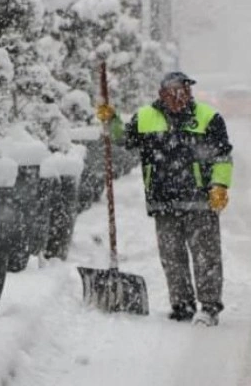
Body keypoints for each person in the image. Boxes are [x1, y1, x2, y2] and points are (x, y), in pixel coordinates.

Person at [96, 72, 233, 326]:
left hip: (200, 200)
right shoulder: (146, 117)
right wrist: (111, 120)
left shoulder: (208, 118)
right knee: (172, 257)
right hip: (163, 201)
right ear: (162, 94)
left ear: (189, 93)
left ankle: (210, 307)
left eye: (183, 92)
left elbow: (223, 156)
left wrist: (219, 185)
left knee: (206, 255)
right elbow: (124, 139)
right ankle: (181, 306)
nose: (178, 97)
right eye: (172, 93)